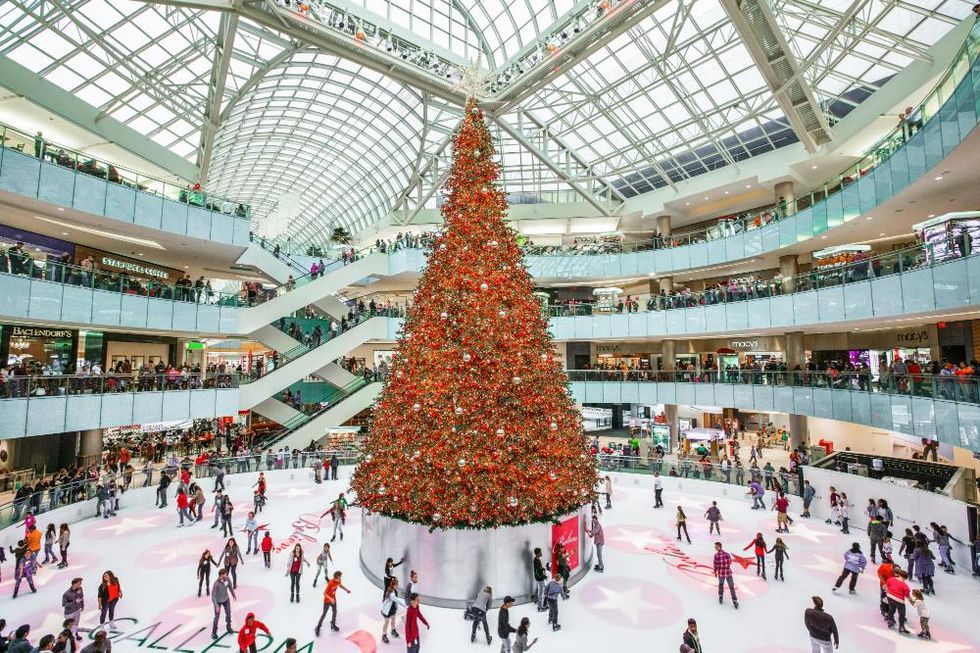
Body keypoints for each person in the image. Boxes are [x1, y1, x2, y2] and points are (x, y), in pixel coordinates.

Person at [314, 571, 350, 636]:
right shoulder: (331, 583)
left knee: (335, 611)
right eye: (340, 576)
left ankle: (333, 624)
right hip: (327, 600)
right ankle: (318, 627)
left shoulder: (339, 581)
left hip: (333, 598)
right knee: (324, 614)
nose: (341, 578)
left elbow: (340, 585)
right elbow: (324, 593)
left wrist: (346, 590)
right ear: (336, 577)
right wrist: (330, 599)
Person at [211, 568, 236, 640]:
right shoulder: (216, 584)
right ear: (221, 575)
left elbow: (230, 587)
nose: (226, 575)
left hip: (226, 600)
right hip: (218, 602)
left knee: (228, 614)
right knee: (217, 617)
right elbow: (213, 596)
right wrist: (216, 606)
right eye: (225, 574)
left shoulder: (227, 579)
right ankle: (214, 632)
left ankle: (228, 627)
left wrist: (233, 594)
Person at [884, 569, 911, 633]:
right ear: (905, 578)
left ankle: (890, 621)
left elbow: (886, 586)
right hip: (899, 600)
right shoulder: (905, 586)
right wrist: (911, 601)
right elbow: (907, 596)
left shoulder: (891, 579)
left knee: (891, 609)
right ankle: (901, 627)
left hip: (890, 596)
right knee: (902, 613)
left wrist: (888, 592)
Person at [712, 542, 739, 608]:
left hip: (723, 573)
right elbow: (730, 562)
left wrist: (716, 572)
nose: (715, 548)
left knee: (724, 585)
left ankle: (727, 598)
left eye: (716, 547)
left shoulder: (717, 555)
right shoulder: (726, 554)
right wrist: (725, 567)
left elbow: (715, 565)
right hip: (727, 572)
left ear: (720, 546)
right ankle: (731, 599)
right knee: (728, 586)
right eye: (715, 547)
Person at [380, 577, 406, 644]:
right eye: (397, 584)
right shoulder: (391, 593)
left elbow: (396, 601)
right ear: (394, 585)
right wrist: (405, 606)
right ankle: (384, 635)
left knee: (393, 620)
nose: (398, 586)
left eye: (397, 584)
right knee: (386, 623)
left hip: (392, 608)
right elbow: (397, 600)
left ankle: (393, 630)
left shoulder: (394, 591)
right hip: (387, 610)